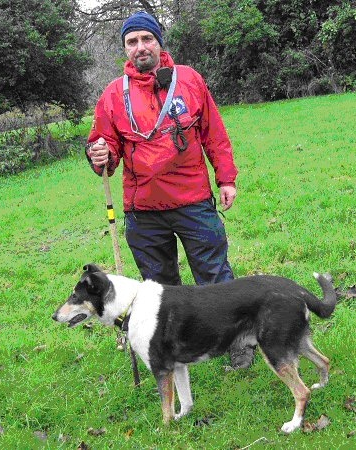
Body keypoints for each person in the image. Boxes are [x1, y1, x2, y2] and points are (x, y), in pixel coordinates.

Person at [85, 11, 253, 369]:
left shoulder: (189, 80)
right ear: (125, 50)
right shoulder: (114, 95)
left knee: (215, 277)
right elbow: (105, 150)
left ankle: (237, 342)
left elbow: (214, 133)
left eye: (147, 39)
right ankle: (176, 344)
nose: (140, 47)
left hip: (193, 201)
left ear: (159, 42)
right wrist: (98, 153)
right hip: (142, 209)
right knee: (160, 288)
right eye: (132, 42)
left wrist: (226, 178)